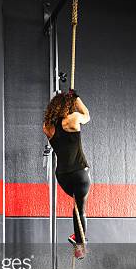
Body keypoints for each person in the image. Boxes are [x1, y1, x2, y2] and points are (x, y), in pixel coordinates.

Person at [42, 90, 91, 259]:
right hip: (79, 173)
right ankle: (80, 244)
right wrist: (76, 97)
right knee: (80, 209)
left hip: (63, 177)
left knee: (77, 207)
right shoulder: (73, 119)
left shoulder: (47, 127)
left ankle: (78, 238)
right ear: (68, 106)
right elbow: (87, 115)